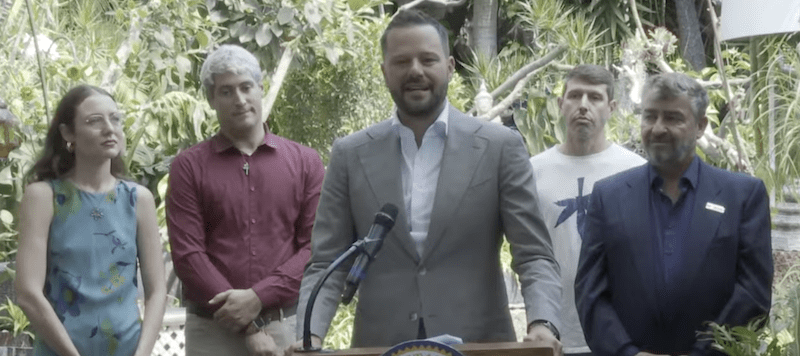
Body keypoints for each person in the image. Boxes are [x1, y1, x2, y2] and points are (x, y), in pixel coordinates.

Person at [288, 9, 562, 354]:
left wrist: (542, 323)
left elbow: (534, 254)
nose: (415, 70)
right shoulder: (350, 153)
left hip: (478, 344)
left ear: (449, 66)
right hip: (382, 346)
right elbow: (327, 262)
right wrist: (309, 335)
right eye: (401, 61)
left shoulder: (499, 147)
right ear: (384, 71)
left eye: (427, 59)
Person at [575, 72, 773, 356]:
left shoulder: (742, 196)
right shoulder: (608, 196)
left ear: (701, 126)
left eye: (672, 118)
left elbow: (753, 294)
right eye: (650, 116)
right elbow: (590, 293)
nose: (657, 129)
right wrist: (628, 353)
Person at [166, 44, 325, 356]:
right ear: (211, 100)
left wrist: (258, 297)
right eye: (226, 91)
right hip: (212, 332)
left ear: (260, 89)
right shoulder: (188, 167)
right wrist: (246, 325)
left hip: (286, 328)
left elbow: (314, 248)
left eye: (245, 87)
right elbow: (188, 255)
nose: (239, 99)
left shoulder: (305, 161)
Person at [15, 85, 167, 356]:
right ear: (67, 134)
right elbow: (28, 293)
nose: (110, 128)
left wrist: (142, 354)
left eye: (115, 118)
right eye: (94, 121)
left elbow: (156, 292)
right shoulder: (43, 197)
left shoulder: (138, 199)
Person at [529, 64, 646, 356]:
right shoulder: (533, 171)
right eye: (575, 96)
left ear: (612, 107)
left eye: (594, 98)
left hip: (620, 334)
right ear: (560, 104)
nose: (583, 106)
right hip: (553, 333)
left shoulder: (636, 172)